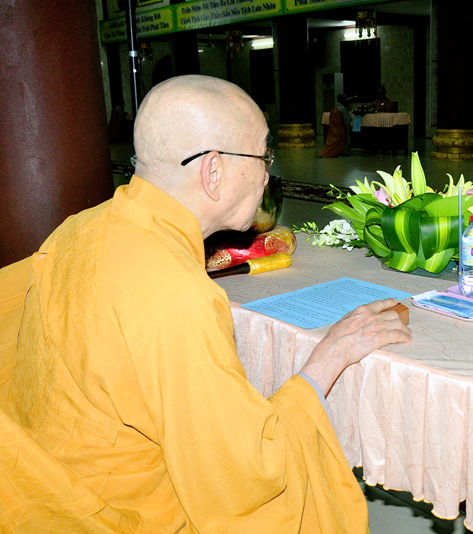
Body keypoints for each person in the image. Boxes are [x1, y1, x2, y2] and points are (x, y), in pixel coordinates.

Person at [0, 75, 412, 533]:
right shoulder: (179, 297)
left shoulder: (78, 228)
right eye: (263, 157)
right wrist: (329, 356)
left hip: (40, 478)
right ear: (212, 171)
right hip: (115, 514)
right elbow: (242, 475)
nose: (267, 175)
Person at [317, 93, 352, 158]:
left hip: (333, 129)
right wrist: (348, 127)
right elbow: (348, 120)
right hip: (341, 129)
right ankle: (342, 151)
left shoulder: (334, 108)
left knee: (331, 146)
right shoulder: (342, 109)